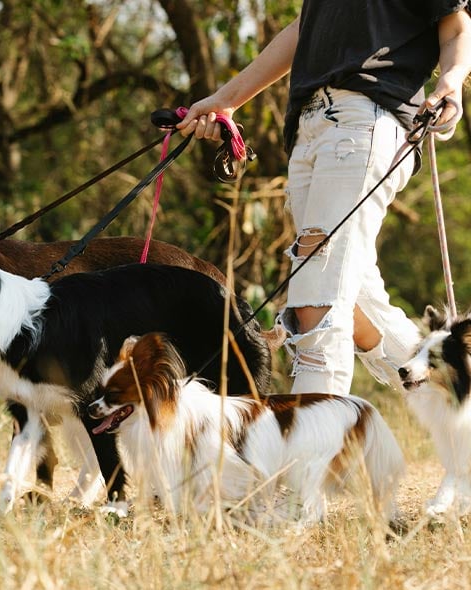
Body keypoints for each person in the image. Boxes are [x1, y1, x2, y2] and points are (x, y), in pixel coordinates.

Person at [176, 2, 471, 395]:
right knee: (356, 303)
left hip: (364, 119)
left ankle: (313, 451)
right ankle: (456, 393)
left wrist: (450, 83)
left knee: (317, 303)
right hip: (308, 128)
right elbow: (304, 28)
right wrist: (226, 99)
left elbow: (455, 27)